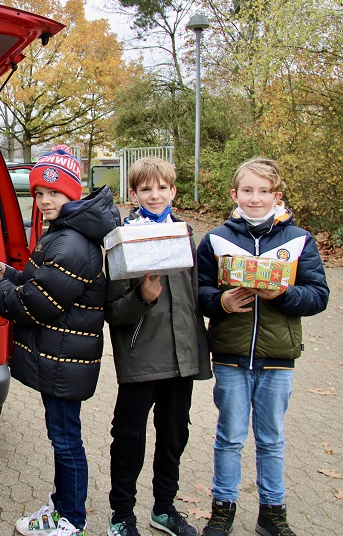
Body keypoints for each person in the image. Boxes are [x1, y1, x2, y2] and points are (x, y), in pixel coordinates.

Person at [0, 145, 121, 536]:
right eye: (39, 193)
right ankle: (62, 508)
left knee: (66, 439)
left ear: (73, 193)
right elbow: (39, 284)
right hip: (61, 355)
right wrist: (3, 270)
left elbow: (32, 306)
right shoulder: (67, 233)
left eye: (53, 192)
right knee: (64, 435)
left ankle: (71, 520)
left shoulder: (70, 243)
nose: (44, 200)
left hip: (63, 358)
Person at [196, 157, 329, 536]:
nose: (256, 199)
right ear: (234, 194)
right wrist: (220, 302)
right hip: (230, 355)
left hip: (278, 357)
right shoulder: (217, 238)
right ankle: (223, 508)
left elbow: (318, 295)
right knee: (230, 436)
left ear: (277, 196)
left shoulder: (298, 239)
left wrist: (282, 294)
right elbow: (199, 291)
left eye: (264, 191)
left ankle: (272, 512)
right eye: (248, 191)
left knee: (271, 439)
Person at [104, 157, 211, 536]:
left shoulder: (186, 234)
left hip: (182, 356)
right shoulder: (122, 238)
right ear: (133, 193)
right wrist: (143, 298)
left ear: (173, 191)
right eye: (146, 189)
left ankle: (163, 508)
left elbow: (196, 296)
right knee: (129, 437)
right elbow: (113, 310)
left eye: (161, 188)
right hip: (141, 356)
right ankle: (122, 515)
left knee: (173, 435)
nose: (154, 195)